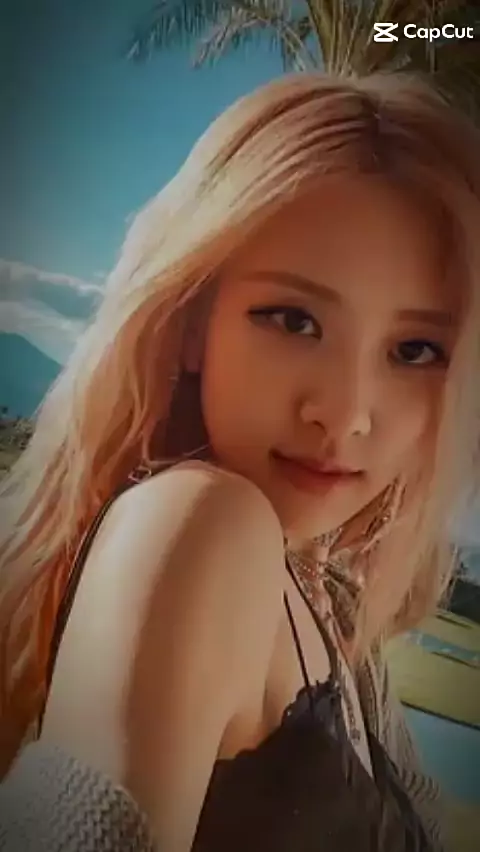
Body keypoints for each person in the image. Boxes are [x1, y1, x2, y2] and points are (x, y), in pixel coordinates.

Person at [1, 70, 479, 852]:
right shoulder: (202, 526)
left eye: (416, 350)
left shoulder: (330, 599)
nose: (346, 414)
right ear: (192, 319)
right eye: (293, 319)